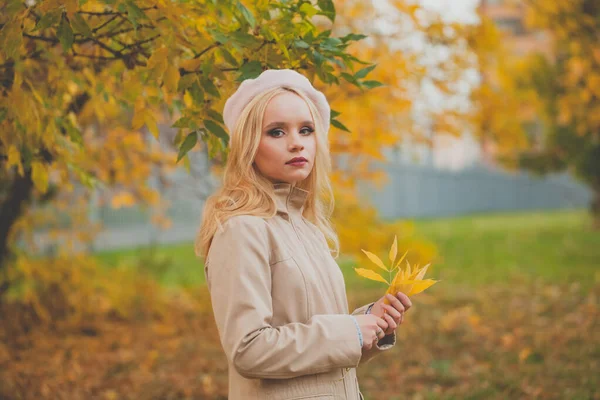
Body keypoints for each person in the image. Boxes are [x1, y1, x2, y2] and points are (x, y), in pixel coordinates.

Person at [195, 69, 412, 400]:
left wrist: (369, 323)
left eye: (306, 130)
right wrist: (350, 331)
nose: (296, 142)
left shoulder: (307, 227)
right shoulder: (242, 229)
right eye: (276, 131)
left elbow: (320, 361)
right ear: (249, 145)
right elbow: (248, 349)